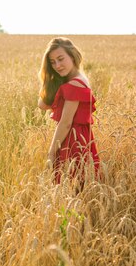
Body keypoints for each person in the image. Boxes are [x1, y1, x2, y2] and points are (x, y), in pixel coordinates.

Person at [38, 37, 100, 184]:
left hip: (72, 142)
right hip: (80, 139)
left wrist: (51, 152)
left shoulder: (74, 84)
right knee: (77, 187)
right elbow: (42, 104)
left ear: (72, 56)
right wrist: (51, 79)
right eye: (52, 62)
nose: (57, 65)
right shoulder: (78, 79)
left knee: (70, 187)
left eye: (61, 59)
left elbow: (65, 123)